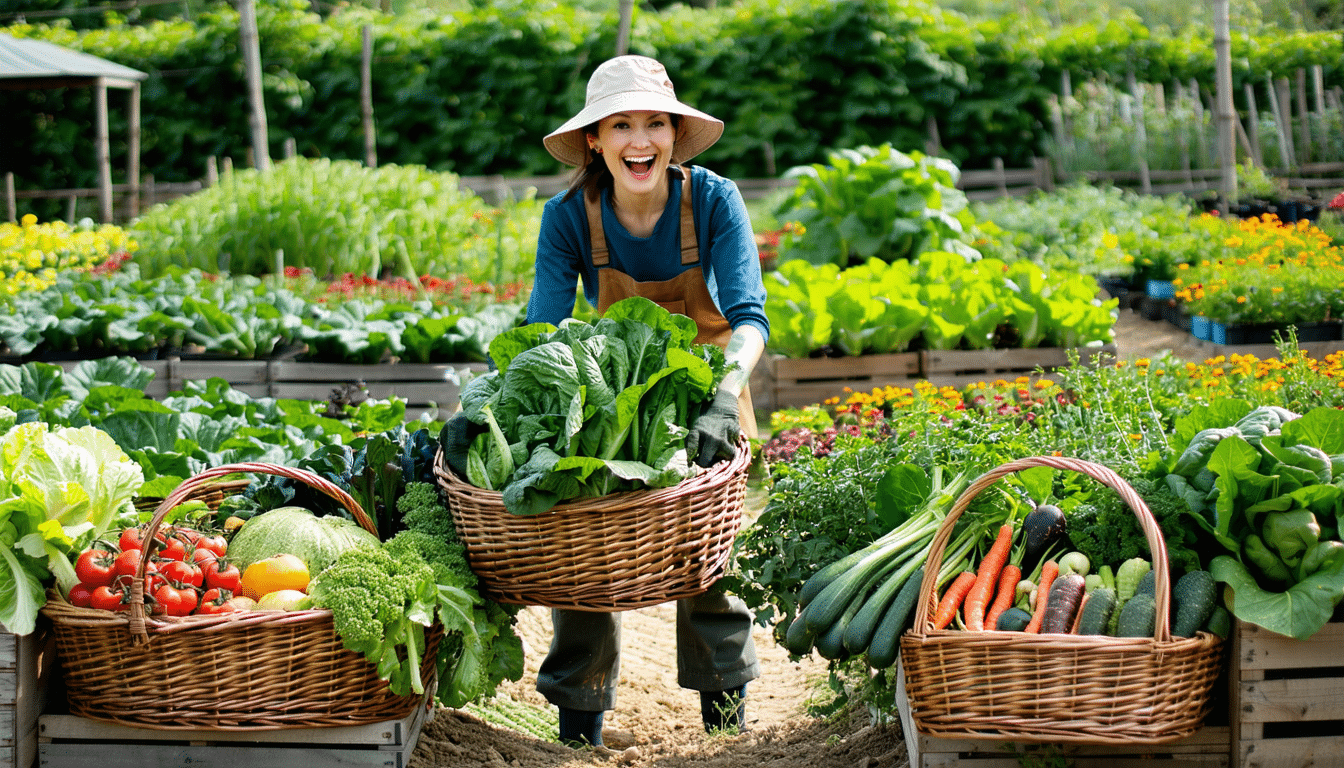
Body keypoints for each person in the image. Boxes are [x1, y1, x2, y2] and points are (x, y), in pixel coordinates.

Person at [524, 54, 770, 748]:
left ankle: (727, 732)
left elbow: (748, 316)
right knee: (580, 552)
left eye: (655, 123)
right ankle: (580, 727)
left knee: (711, 557)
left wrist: (724, 398)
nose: (641, 140)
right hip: (613, 400)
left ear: (674, 132)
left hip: (711, 387)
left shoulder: (713, 200)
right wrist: (490, 412)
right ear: (594, 140)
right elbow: (542, 328)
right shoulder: (569, 215)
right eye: (621, 124)